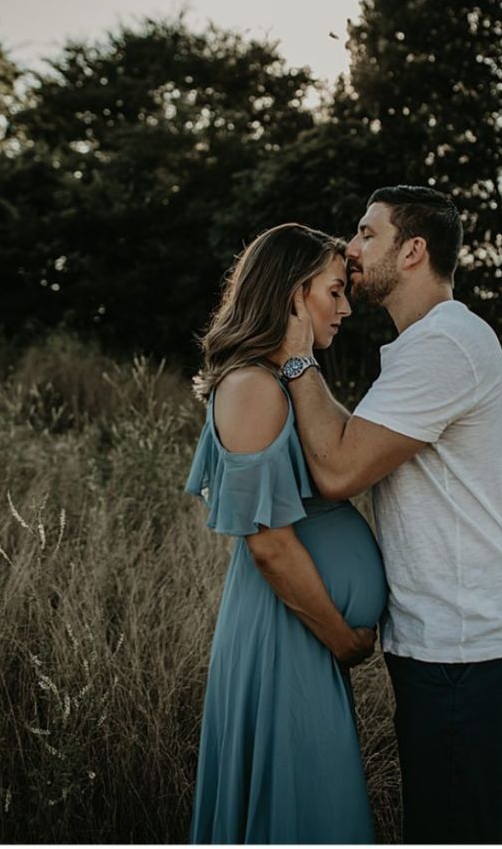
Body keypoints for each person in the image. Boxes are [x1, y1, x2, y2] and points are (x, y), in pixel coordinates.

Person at [282, 185, 502, 845]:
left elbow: (341, 467)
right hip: (454, 640)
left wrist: (293, 358)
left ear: (413, 251)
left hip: (464, 646)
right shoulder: (428, 346)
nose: (351, 247)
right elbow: (358, 438)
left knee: (450, 830)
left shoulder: (443, 347)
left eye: (367, 234)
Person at [185, 223, 387, 844]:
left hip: (299, 629)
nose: (347, 307)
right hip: (287, 630)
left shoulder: (280, 382)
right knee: (301, 812)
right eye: (334, 291)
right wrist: (343, 639)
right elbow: (267, 543)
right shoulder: (252, 388)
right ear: (295, 295)